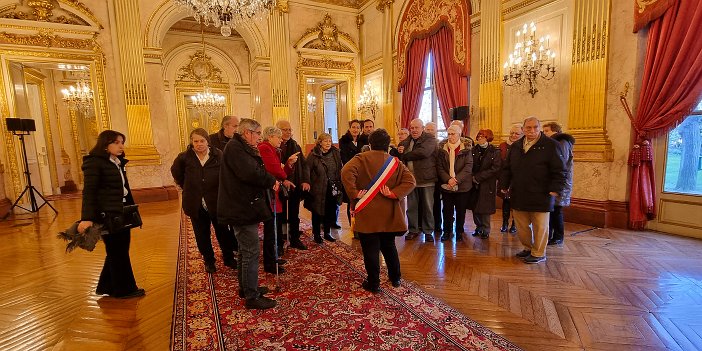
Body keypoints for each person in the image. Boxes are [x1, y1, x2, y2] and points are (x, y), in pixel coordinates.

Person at [341, 129, 416, 293]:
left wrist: (354, 193)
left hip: (368, 212)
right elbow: (410, 181)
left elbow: (346, 172)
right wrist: (393, 193)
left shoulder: (360, 158)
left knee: (370, 249)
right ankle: (395, 278)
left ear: (370, 143)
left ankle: (374, 283)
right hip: (388, 211)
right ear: (388, 144)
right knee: (389, 246)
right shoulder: (395, 162)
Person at [218, 118, 278, 309]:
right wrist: (271, 180)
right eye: (258, 133)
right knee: (250, 251)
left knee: (245, 251)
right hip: (241, 207)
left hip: (243, 205)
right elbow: (250, 173)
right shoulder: (236, 148)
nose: (259, 137)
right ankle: (252, 297)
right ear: (247, 133)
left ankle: (246, 288)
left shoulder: (238, 146)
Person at [78, 130, 144, 299]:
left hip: (120, 211)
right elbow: (89, 192)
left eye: (122, 142)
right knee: (118, 251)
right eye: (116, 142)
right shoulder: (95, 163)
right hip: (106, 214)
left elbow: (124, 189)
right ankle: (125, 290)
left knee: (117, 250)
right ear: (105, 144)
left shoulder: (116, 162)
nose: (121, 146)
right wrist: (87, 218)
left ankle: (106, 286)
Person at [500, 117, 566, 264]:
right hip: (519, 192)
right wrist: (504, 185)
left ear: (540, 128)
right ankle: (528, 248)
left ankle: (539, 253)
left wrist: (556, 188)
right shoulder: (516, 146)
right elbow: (507, 168)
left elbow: (560, 169)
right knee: (521, 226)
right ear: (523, 129)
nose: (532, 130)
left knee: (540, 227)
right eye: (528, 128)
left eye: (535, 127)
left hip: (542, 193)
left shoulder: (551, 145)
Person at [171, 128, 236, 274]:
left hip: (216, 202)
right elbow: (177, 174)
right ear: (191, 142)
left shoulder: (218, 154)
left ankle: (229, 257)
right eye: (195, 141)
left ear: (207, 141)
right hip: (195, 203)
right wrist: (188, 187)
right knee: (201, 234)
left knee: (223, 232)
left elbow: (226, 174)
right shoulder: (184, 157)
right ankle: (209, 260)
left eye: (202, 141)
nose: (199, 144)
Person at [258, 126, 298, 274]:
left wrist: (288, 164)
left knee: (274, 227)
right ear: (270, 137)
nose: (281, 140)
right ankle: (269, 262)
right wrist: (284, 169)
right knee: (271, 228)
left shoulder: (273, 150)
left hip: (274, 192)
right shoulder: (265, 148)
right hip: (268, 193)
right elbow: (276, 171)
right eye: (278, 137)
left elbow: (282, 172)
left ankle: (273, 257)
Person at [397, 118, 438, 241]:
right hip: (410, 180)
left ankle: (428, 231)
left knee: (428, 208)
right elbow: (400, 151)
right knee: (412, 207)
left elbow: (424, 152)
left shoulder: (430, 139)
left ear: (422, 128)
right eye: (412, 128)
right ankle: (413, 229)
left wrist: (405, 154)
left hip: (426, 179)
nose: (414, 130)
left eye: (417, 127)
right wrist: (400, 152)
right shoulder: (406, 141)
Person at [277, 119, 310, 251]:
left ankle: (295, 238)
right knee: (280, 215)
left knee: (294, 213)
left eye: (290, 129)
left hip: (294, 185)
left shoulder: (295, 145)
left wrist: (305, 180)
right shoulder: (273, 146)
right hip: (279, 185)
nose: (288, 132)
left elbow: (304, 164)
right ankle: (279, 241)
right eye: (285, 129)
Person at [436, 125, 473, 241]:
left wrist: (456, 180)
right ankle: (447, 232)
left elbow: (468, 167)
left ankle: (459, 233)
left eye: (453, 134)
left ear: (459, 134)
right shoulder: (442, 148)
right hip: (447, 185)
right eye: (449, 134)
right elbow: (440, 167)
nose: (450, 136)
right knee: (447, 210)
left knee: (461, 211)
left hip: (462, 186)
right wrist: (448, 179)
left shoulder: (466, 149)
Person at [305, 133, 343, 243]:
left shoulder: (336, 153)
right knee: (317, 211)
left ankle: (327, 233)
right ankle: (316, 234)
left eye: (330, 141)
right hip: (318, 188)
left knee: (330, 210)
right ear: (320, 142)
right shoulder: (314, 155)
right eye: (325, 141)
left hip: (333, 187)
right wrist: (308, 182)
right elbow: (307, 169)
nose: (328, 143)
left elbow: (339, 167)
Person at [543, 122, 575, 245]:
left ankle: (558, 237)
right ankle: (550, 235)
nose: (544, 133)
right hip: (554, 181)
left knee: (556, 210)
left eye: (546, 131)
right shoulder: (554, 143)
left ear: (555, 131)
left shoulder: (562, 143)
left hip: (560, 182)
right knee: (552, 210)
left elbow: (561, 163)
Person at [469, 129, 501, 239]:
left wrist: (478, 177)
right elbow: (469, 165)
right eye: (478, 137)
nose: (479, 139)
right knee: (475, 207)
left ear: (488, 138)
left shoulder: (494, 151)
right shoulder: (473, 150)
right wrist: (473, 177)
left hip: (487, 184)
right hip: (474, 183)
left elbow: (495, 168)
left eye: (482, 137)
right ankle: (478, 227)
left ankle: (486, 229)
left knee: (485, 208)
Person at [339, 120, 367, 231]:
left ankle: (363, 226)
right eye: (353, 127)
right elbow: (344, 158)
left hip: (363, 174)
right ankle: (354, 227)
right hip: (350, 174)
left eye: (358, 128)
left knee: (363, 199)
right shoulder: (343, 141)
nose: (355, 130)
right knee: (352, 200)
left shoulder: (364, 140)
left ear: (360, 129)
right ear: (350, 128)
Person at [498, 124, 523, 233]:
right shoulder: (503, 145)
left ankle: (515, 224)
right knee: (506, 202)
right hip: (505, 177)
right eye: (512, 133)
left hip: (518, 179)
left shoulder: (524, 146)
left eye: (517, 133)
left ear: (522, 134)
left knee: (516, 203)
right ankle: (504, 223)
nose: (513, 135)